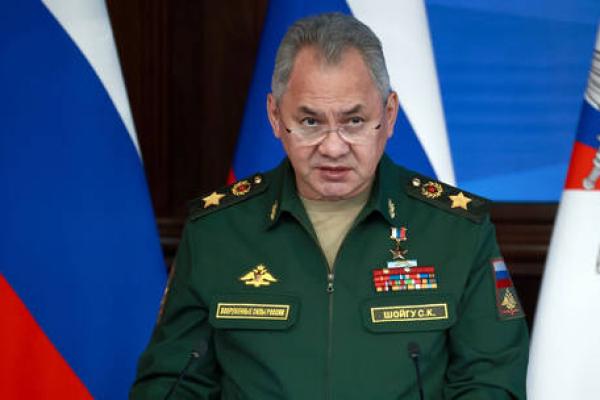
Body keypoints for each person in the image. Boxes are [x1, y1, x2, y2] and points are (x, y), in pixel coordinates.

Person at [130, 12, 528, 399]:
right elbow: (173, 383)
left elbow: (491, 382)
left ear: (389, 115)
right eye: (310, 122)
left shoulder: (457, 232)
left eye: (354, 121)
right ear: (275, 117)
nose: (333, 147)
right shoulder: (217, 232)